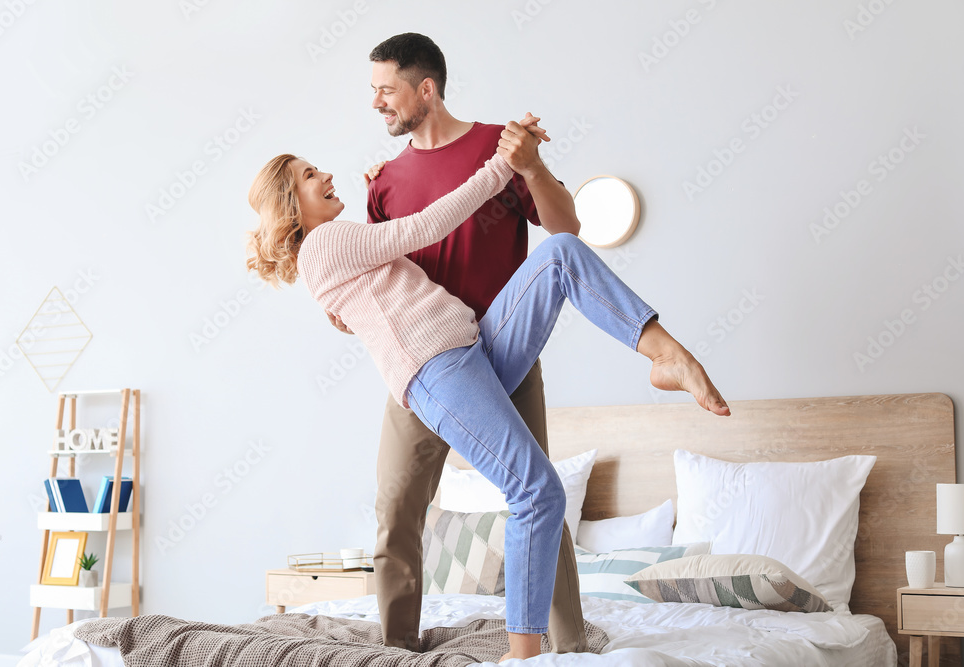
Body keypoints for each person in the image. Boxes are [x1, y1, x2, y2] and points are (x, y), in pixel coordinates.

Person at [244, 120, 731, 661]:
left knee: (560, 251)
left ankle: (665, 353)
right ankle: (522, 653)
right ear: (292, 205)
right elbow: (424, 226)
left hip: (472, 347)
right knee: (536, 491)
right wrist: (503, 167)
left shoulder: (334, 245)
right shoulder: (326, 243)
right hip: (439, 370)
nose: (326, 173)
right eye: (311, 175)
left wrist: (381, 189)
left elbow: (371, 288)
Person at [351, 32, 593, 656]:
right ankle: (396, 648)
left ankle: (570, 645)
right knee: (395, 509)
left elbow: (566, 231)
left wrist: (532, 165)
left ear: (424, 88)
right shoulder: (383, 184)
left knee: (537, 493)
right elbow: (379, 279)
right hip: (422, 363)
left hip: (503, 356)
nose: (376, 102)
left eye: (386, 89)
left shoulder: (498, 147)